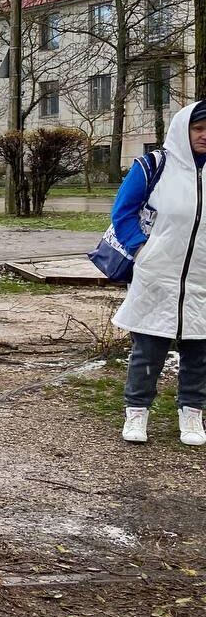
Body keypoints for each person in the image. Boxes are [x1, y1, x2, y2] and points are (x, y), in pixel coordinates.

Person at [112, 101, 206, 446]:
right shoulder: (154, 166)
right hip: (158, 274)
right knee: (148, 347)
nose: (204, 135)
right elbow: (123, 212)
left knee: (200, 350)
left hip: (202, 278)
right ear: (184, 129)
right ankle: (136, 412)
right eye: (198, 128)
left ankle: (192, 415)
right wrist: (141, 249)